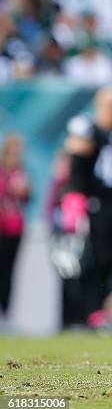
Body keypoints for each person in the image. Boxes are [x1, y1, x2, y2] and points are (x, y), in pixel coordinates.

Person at [61, 87, 112, 325]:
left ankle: (99, 309)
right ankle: (84, 312)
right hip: (91, 201)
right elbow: (76, 157)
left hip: (111, 201)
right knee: (88, 257)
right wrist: (75, 196)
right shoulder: (89, 128)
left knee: (110, 258)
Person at [0, 134, 30, 318]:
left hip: (15, 228)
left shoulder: (22, 172)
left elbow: (26, 197)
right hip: (2, 227)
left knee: (9, 270)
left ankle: (5, 312)